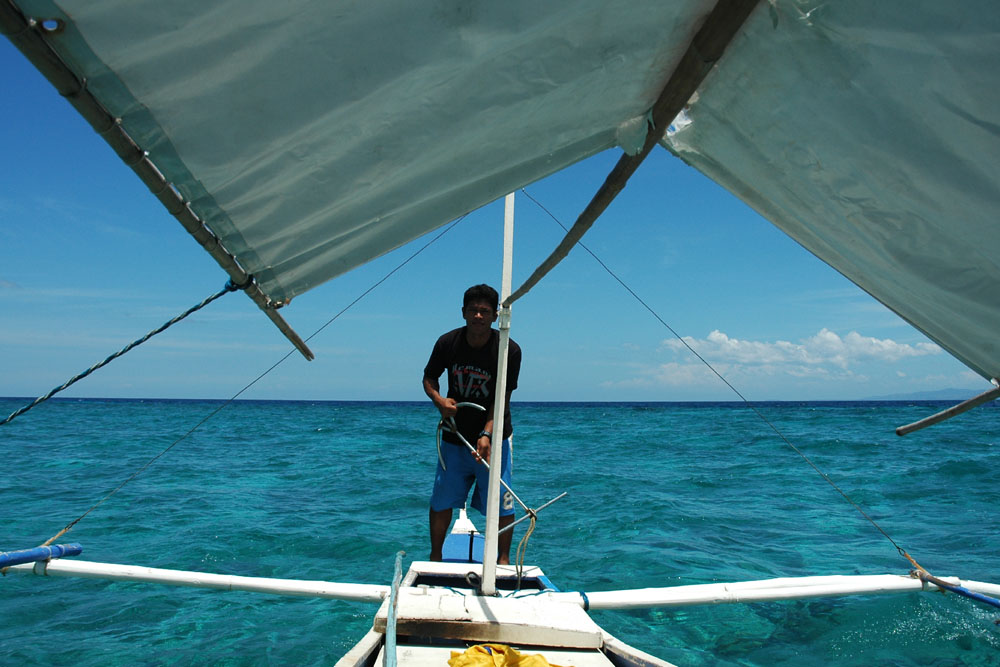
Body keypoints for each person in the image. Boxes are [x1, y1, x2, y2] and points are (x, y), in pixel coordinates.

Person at [422, 284, 522, 564]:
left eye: (485, 311)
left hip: (495, 436)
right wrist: (439, 401)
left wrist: (487, 433)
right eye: (473, 310)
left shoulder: (509, 350)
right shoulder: (447, 342)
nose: (478, 316)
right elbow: (429, 378)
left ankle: (502, 561)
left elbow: (503, 397)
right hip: (454, 437)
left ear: (494, 316)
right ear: (463, 312)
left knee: (501, 501)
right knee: (441, 500)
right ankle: (436, 557)